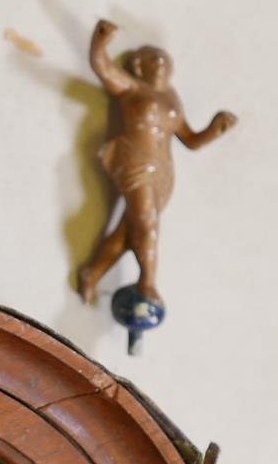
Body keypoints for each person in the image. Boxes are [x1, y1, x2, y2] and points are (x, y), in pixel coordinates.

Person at [76, 19, 236, 305]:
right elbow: (103, 67)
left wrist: (214, 129)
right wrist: (100, 42)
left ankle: (92, 273)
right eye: (153, 58)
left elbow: (190, 139)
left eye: (164, 59)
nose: (160, 61)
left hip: (163, 170)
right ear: (139, 66)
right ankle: (147, 283)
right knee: (147, 223)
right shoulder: (132, 89)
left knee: (133, 227)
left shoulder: (172, 99)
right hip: (134, 161)